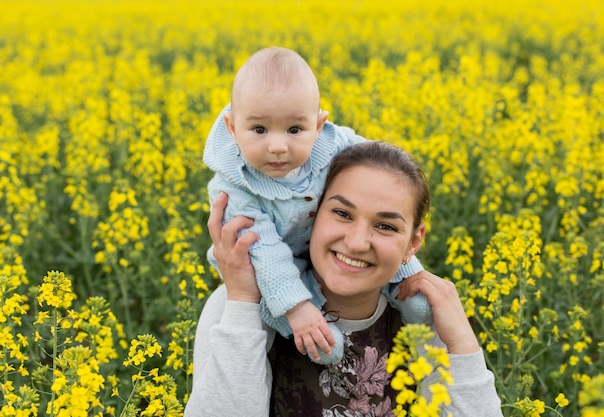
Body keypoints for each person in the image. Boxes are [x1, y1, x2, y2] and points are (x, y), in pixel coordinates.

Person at [185, 141, 503, 417]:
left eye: (386, 226)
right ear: (311, 215)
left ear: (414, 242)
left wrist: (462, 343)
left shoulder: (422, 317)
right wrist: (243, 301)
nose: (356, 242)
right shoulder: (240, 304)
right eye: (341, 213)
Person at [203, 47, 431, 364]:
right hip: (267, 261)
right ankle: (314, 334)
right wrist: (298, 309)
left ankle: (409, 281)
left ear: (319, 125)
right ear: (232, 128)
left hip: (320, 241)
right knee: (272, 294)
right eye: (259, 130)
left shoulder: (332, 142)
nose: (278, 146)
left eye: (295, 130)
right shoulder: (236, 187)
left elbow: (378, 167)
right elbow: (265, 252)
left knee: (382, 225)